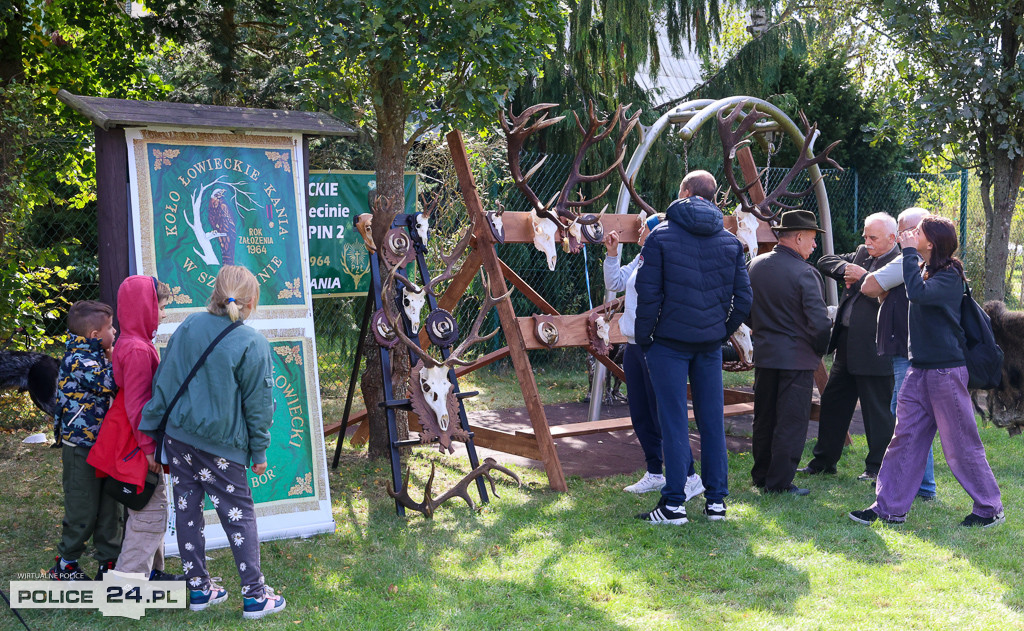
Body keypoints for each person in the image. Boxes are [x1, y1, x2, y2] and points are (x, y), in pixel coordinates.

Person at [140, 265, 286, 619]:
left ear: (214, 293)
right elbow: (259, 406)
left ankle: (199, 589)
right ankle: (254, 595)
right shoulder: (252, 343)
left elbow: (165, 379)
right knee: (239, 516)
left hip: (178, 440)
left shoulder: (188, 325)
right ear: (251, 301)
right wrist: (259, 449)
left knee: (187, 511)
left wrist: (151, 428)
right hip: (221, 447)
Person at [849, 216, 1004, 527]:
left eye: (917, 232)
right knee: (904, 440)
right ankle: (888, 507)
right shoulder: (925, 269)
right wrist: (909, 258)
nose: (910, 234)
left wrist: (906, 253)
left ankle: (989, 509)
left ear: (931, 243)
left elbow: (916, 293)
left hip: (945, 373)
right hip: (918, 371)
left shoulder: (949, 277)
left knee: (960, 443)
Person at [633, 170, 752, 524]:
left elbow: (648, 294)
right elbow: (743, 300)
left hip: (668, 344)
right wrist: (720, 331)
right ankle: (716, 502)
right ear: (713, 197)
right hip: (709, 344)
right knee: (712, 421)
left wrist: (645, 338)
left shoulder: (661, 237)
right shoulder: (730, 242)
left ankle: (673, 505)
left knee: (673, 422)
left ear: (684, 192)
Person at [88, 276, 183, 580]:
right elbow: (138, 407)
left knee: (146, 507)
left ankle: (152, 573)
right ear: (145, 307)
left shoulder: (129, 342)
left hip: (130, 439)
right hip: (136, 443)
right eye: (161, 306)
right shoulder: (139, 351)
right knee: (150, 515)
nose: (164, 314)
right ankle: (127, 587)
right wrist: (149, 449)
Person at [603, 214, 704, 499]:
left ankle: (690, 476)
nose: (638, 235)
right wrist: (613, 254)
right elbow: (616, 281)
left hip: (657, 345)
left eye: (643, 230)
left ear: (657, 232)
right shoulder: (642, 258)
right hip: (634, 345)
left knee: (664, 414)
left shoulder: (669, 258)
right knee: (641, 412)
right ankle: (654, 471)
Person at [799, 213, 900, 481]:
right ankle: (824, 461)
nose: (867, 241)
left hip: (875, 349)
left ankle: (877, 468)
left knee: (877, 412)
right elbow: (825, 260)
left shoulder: (900, 262)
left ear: (892, 238)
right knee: (833, 404)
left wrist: (864, 275)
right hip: (846, 344)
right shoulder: (861, 253)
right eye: (865, 236)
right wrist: (847, 270)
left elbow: (887, 291)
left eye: (873, 237)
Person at [747, 210, 832, 496]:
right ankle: (780, 482)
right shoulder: (806, 272)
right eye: (811, 238)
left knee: (765, 417)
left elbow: (746, 309)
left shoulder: (755, 265)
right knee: (791, 421)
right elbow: (819, 324)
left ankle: (761, 475)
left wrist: (763, 331)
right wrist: (820, 349)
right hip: (797, 357)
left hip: (766, 353)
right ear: (797, 237)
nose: (814, 245)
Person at [860, 207, 937, 500]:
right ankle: (917, 484)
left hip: (910, 352)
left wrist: (881, 287)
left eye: (909, 231)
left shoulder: (911, 260)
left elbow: (869, 286)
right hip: (908, 349)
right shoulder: (922, 261)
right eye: (903, 231)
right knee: (905, 414)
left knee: (910, 417)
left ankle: (923, 486)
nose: (905, 237)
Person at [48, 300, 122, 581]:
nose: (114, 332)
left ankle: (109, 564)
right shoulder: (78, 359)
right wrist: (119, 356)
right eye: (110, 328)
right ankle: (66, 564)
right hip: (79, 447)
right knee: (82, 508)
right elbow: (110, 382)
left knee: (108, 507)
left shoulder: (97, 354)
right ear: (94, 335)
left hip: (102, 446)